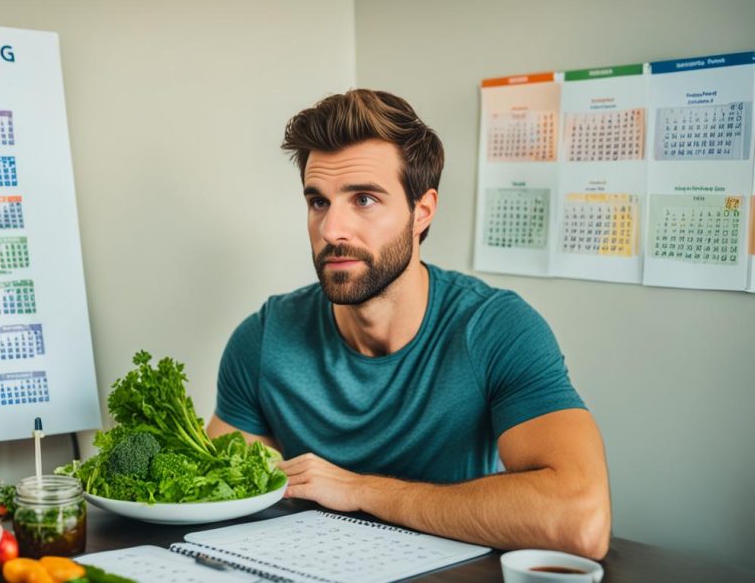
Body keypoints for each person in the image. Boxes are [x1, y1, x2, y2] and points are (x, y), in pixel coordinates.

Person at [207, 89, 611, 560]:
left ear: (422, 211)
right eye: (318, 202)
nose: (332, 229)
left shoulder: (497, 329)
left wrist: (360, 491)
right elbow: (221, 497)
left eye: (363, 199)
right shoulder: (262, 339)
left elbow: (581, 519)